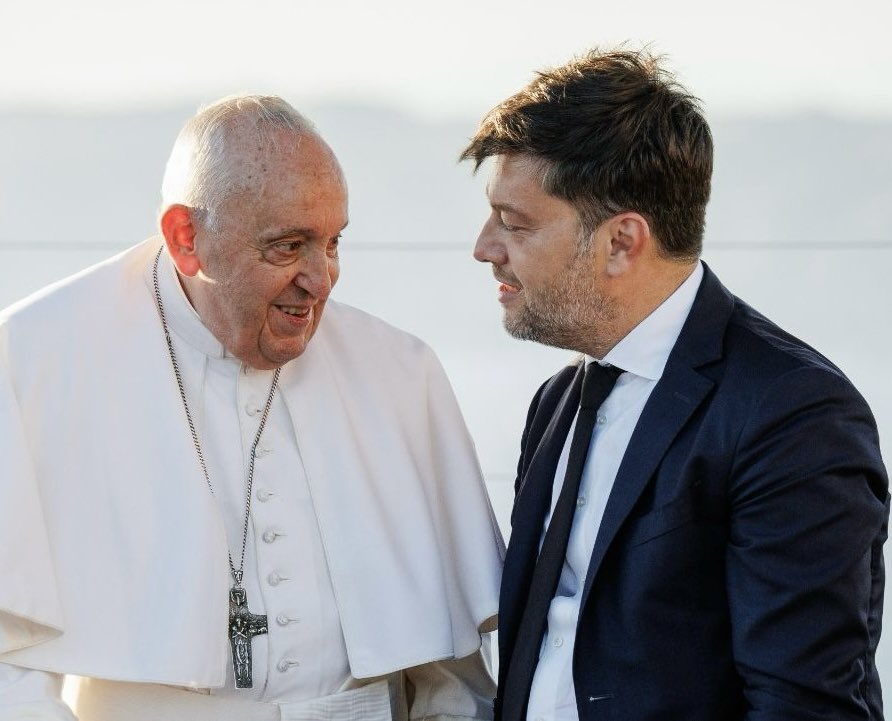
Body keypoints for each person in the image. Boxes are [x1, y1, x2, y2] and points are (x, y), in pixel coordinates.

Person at [0, 95, 504, 721]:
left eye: (333, 243)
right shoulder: (34, 361)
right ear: (186, 239)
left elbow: (451, 666)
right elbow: (6, 664)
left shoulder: (398, 372)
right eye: (288, 247)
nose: (321, 279)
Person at [461, 49, 888, 720]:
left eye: (515, 224)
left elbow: (805, 706)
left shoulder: (793, 413)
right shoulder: (556, 403)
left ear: (622, 241)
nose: (485, 247)